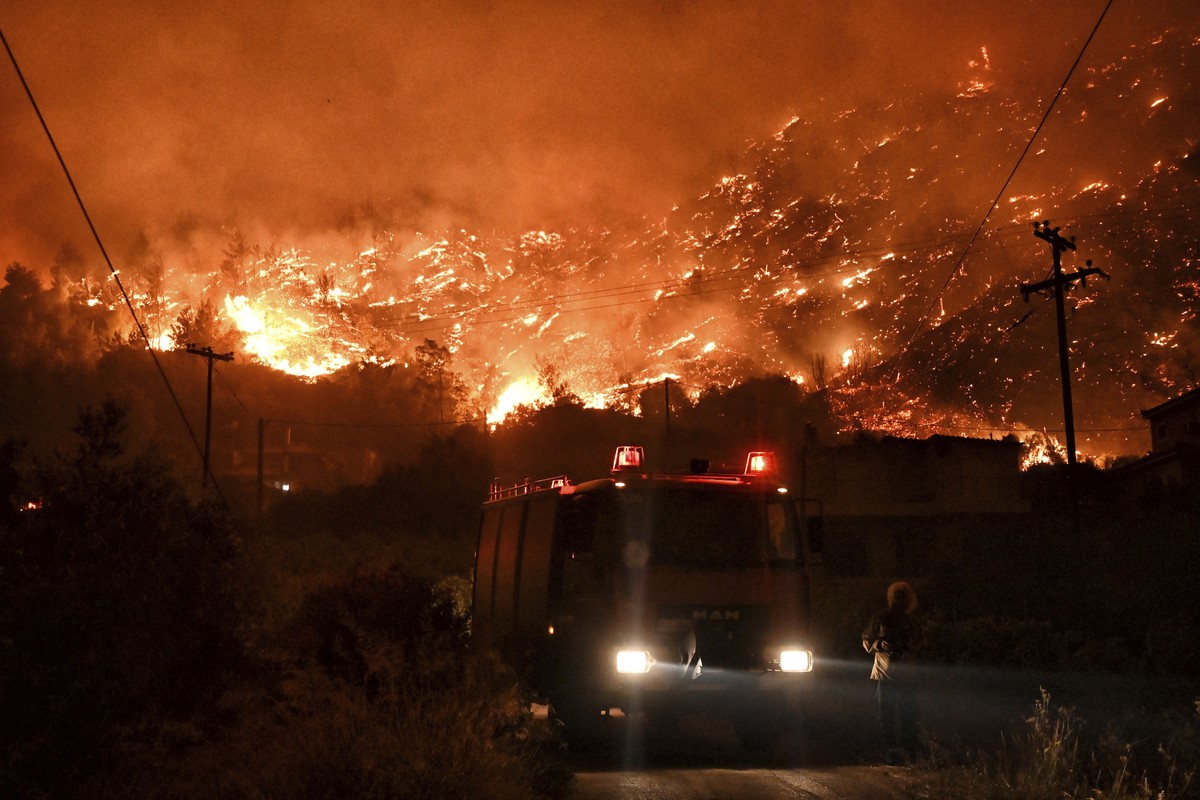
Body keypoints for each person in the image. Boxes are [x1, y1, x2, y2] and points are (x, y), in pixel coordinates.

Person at [862, 580, 920, 762]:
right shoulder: (880, 618)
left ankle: (907, 751)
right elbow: (866, 640)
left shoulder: (909, 621)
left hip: (903, 672)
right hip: (886, 672)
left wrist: (910, 648)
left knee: (905, 713)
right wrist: (880, 644)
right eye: (898, 598)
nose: (900, 602)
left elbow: (919, 642)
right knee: (889, 714)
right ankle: (893, 751)